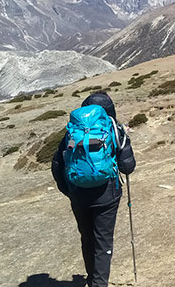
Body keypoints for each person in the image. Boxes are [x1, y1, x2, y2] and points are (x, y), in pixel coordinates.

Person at [51, 92, 137, 287]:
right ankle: (99, 284)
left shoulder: (72, 132)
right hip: (107, 196)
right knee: (103, 241)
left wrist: (69, 191)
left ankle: (91, 279)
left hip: (78, 195)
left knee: (87, 237)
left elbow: (57, 164)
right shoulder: (115, 129)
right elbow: (127, 167)